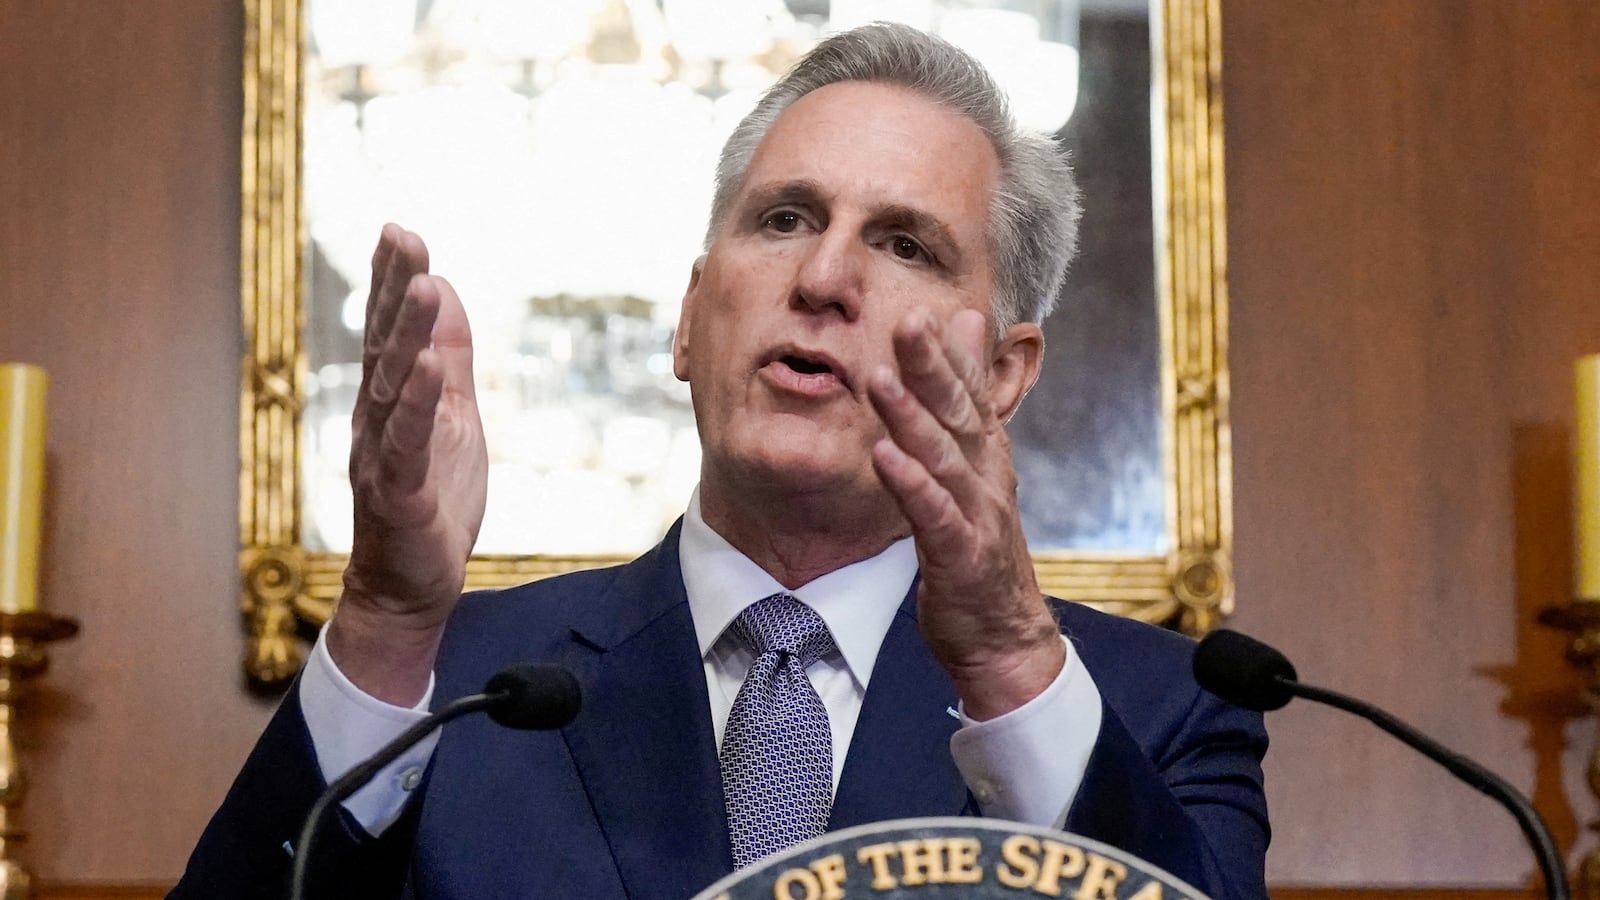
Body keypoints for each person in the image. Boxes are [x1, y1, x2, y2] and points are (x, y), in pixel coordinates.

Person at [174, 22, 1268, 900]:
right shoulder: (451, 683)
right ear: (692, 318)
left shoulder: (1154, 711)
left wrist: (1009, 661)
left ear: (1000, 376)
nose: (825, 276)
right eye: (785, 218)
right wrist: (382, 618)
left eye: (903, 245)